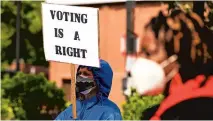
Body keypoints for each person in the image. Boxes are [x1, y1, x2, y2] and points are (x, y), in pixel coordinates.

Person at [128, 9, 213, 120]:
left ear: (176, 58)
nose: (140, 60)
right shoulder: (167, 109)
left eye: (148, 53)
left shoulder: (195, 110)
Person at [55, 59, 122, 120]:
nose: (80, 77)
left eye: (86, 74)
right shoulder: (72, 109)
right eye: (79, 73)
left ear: (99, 80)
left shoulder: (110, 112)